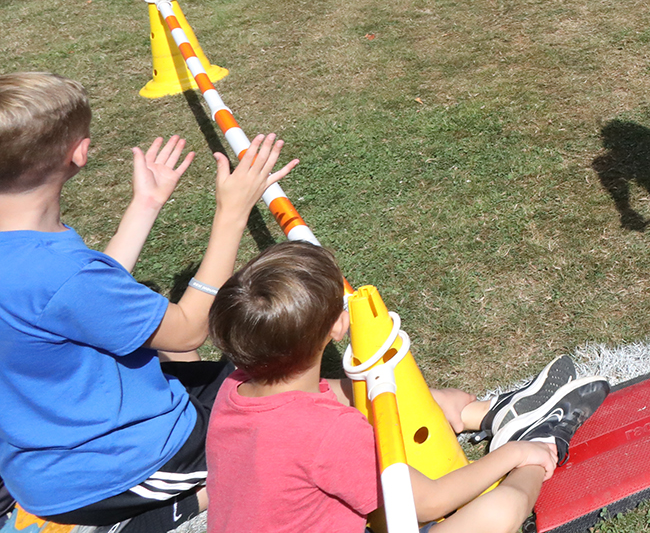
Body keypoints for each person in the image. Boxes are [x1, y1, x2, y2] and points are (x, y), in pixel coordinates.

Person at [0, 72, 297, 529]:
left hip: (48, 457)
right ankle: (165, 514)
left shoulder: (31, 254)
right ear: (80, 153)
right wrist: (233, 212)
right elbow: (189, 330)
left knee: (267, 384)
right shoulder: (60, 272)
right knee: (296, 420)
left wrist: (146, 204)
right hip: (118, 464)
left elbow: (78, 301)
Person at [204, 242, 609, 533]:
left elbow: (337, 395)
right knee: (499, 512)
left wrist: (440, 403)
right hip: (423, 498)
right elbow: (428, 502)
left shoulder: (233, 391)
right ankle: (537, 442)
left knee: (412, 403)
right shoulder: (330, 434)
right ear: (339, 327)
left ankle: (489, 412)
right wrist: (515, 455)